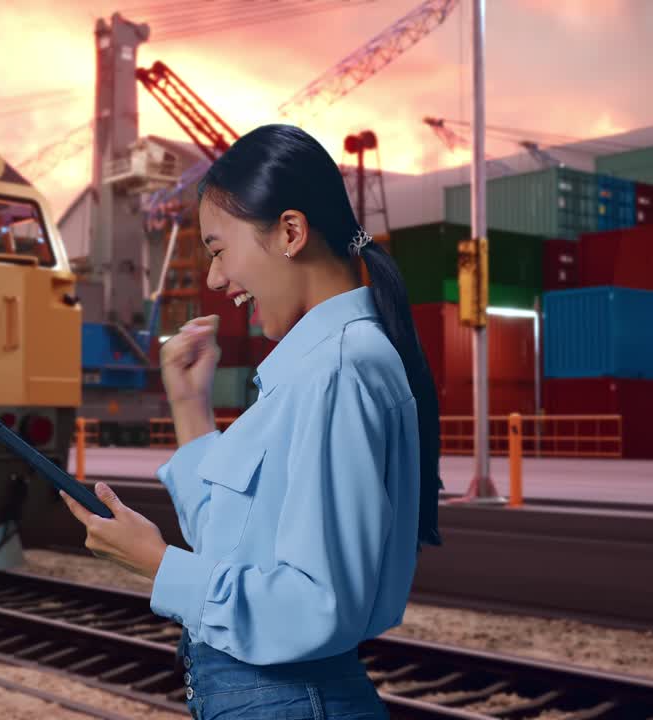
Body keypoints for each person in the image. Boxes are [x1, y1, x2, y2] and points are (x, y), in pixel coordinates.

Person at [59, 123, 443, 719]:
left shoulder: (337, 371)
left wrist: (159, 565)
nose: (214, 278)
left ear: (290, 232)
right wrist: (189, 407)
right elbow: (233, 553)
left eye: (217, 249)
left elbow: (317, 605)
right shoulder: (315, 368)